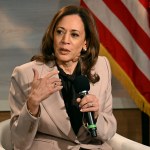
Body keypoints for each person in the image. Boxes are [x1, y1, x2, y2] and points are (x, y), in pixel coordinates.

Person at [9, 5, 117, 150]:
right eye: (60, 32)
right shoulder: (25, 74)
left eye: (74, 34)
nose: (65, 40)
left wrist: (96, 116)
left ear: (85, 43)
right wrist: (32, 104)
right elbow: (19, 142)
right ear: (52, 35)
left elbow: (109, 131)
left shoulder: (101, 66)